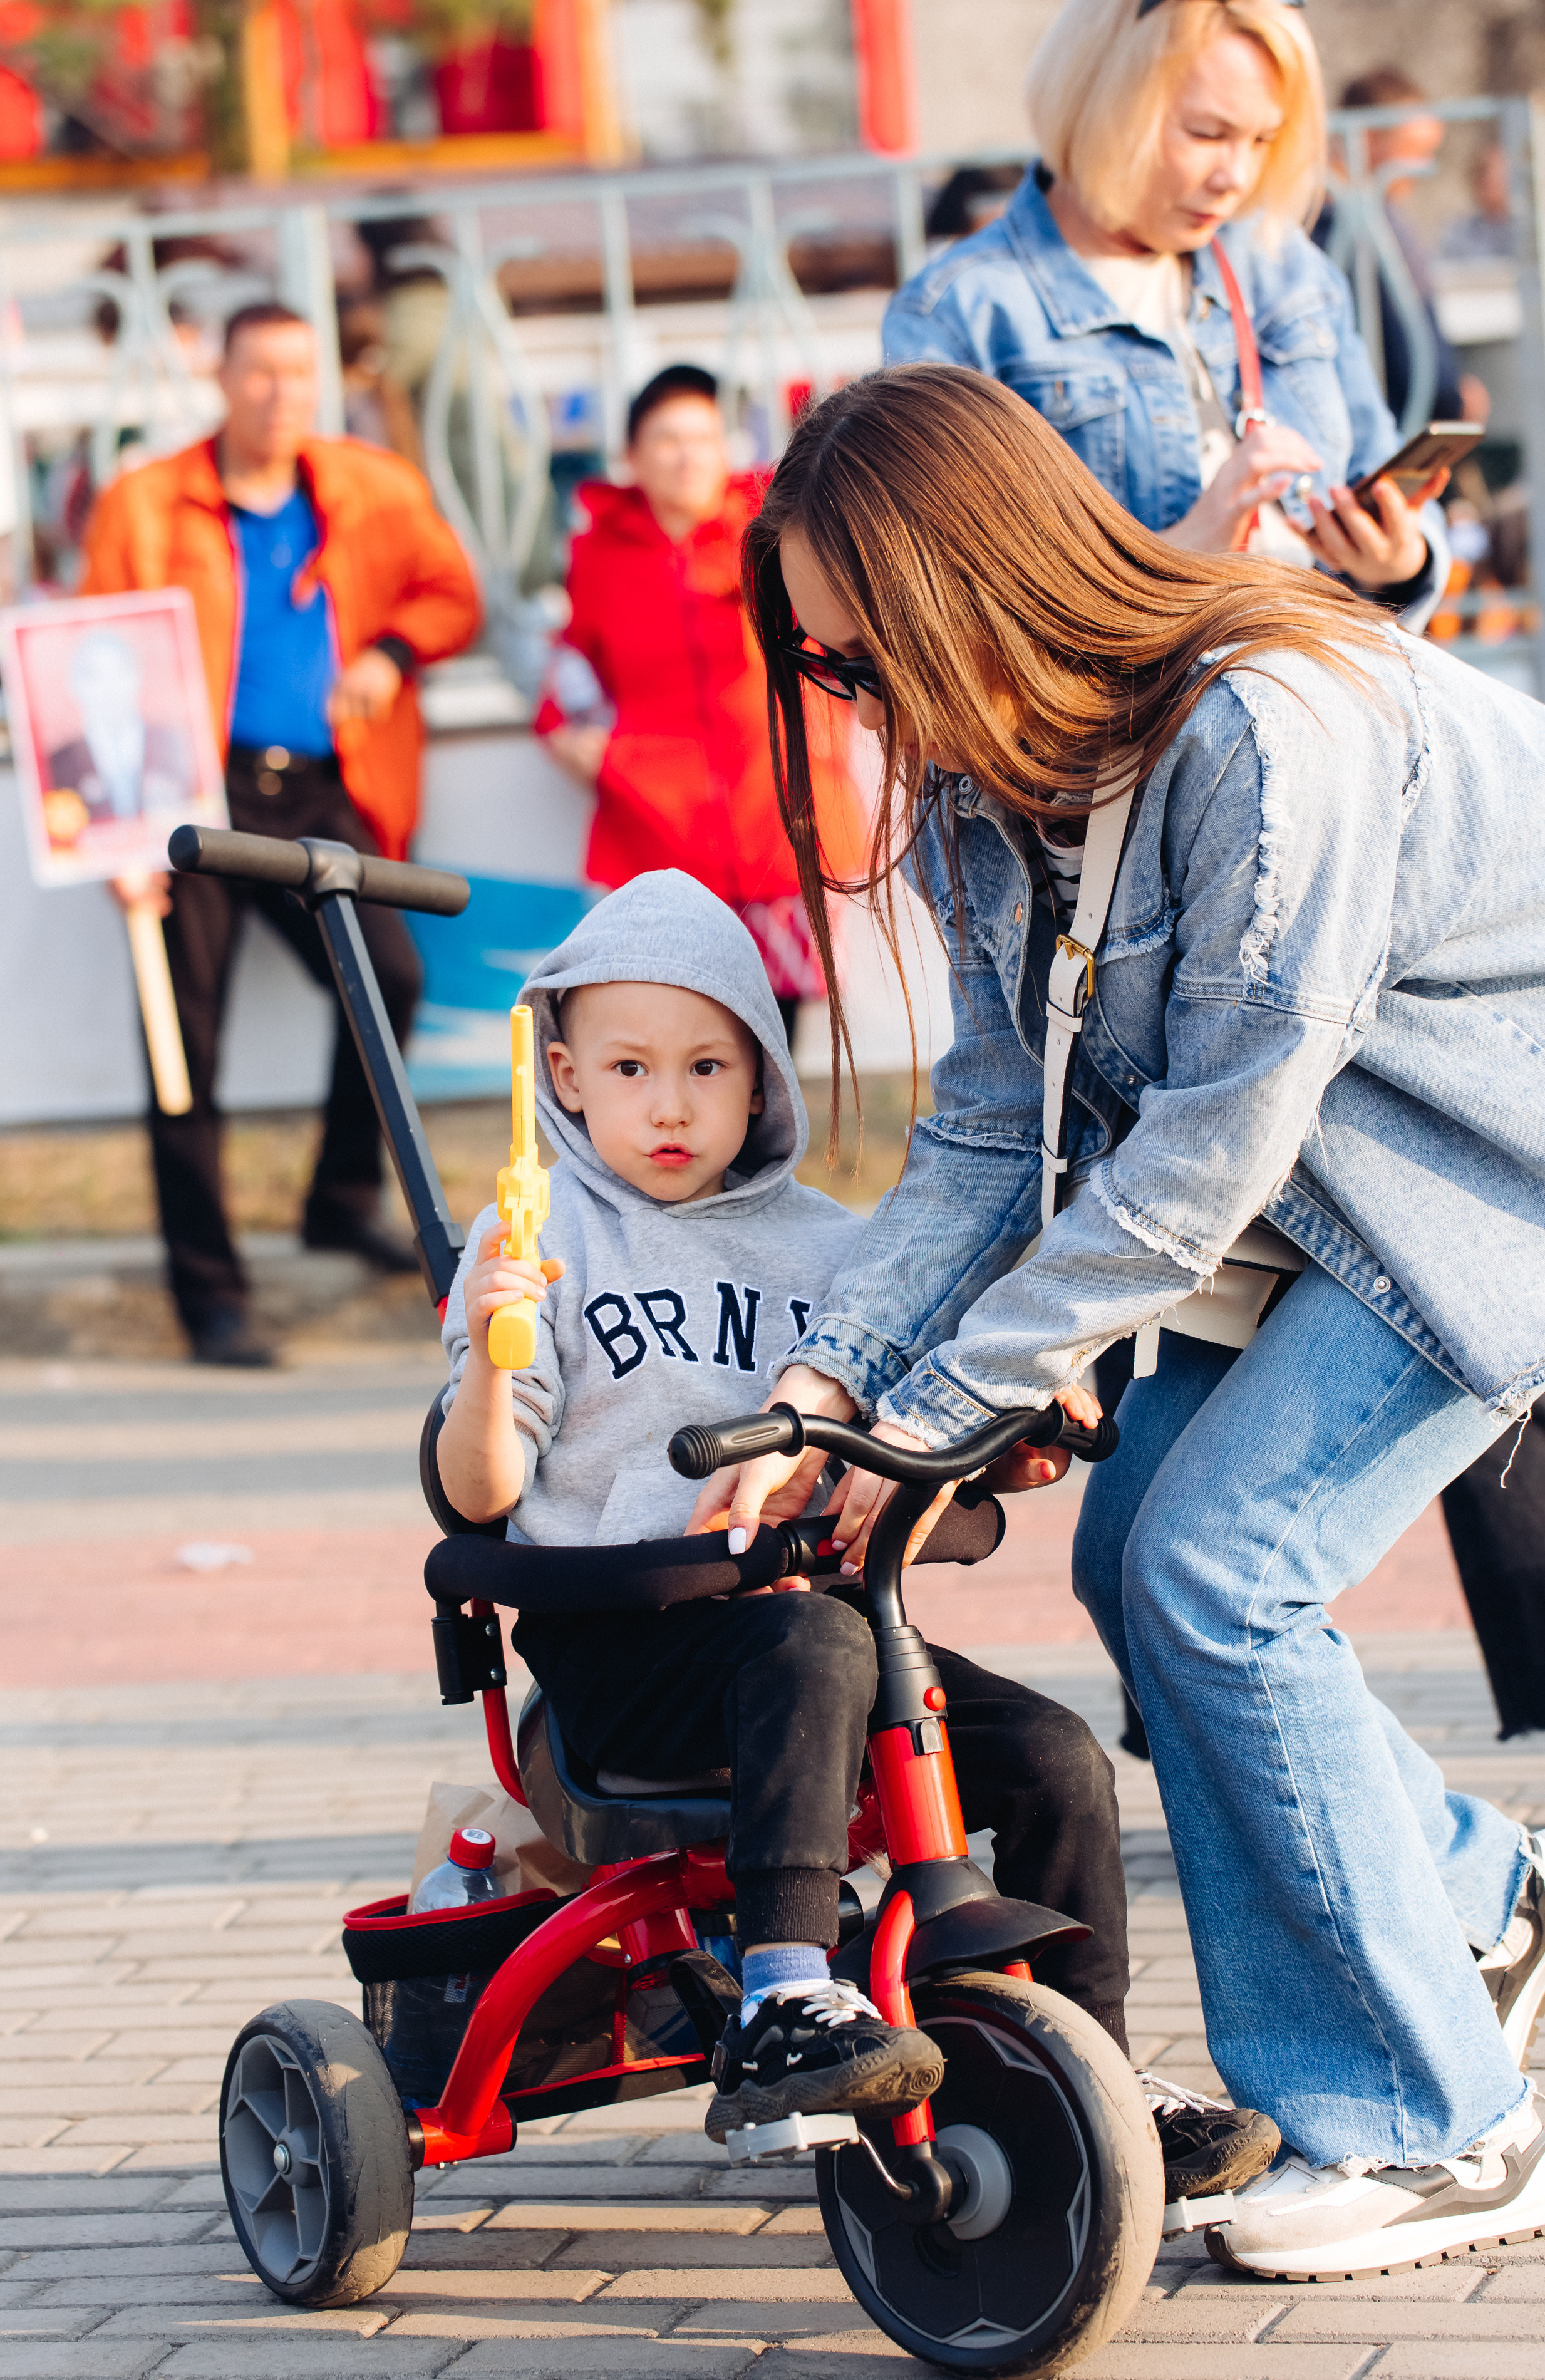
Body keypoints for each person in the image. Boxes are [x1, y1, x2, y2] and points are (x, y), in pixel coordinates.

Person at [698, 365, 1545, 2277]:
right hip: (1314, 1193)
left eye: (876, 651)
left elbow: (1207, 1139)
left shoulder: (1268, 727)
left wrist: (959, 1400)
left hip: (1486, 1169)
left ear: (985, 583)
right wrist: (838, 1383)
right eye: (830, 673)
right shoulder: (982, 803)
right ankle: (1472, 1901)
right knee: (1141, 1573)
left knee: (1217, 1572)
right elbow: (989, 1130)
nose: (864, 706)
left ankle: (1440, 2123)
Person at [433, 867, 1279, 2193]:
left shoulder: (836, 1249)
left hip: (823, 1630)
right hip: (629, 1656)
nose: (671, 1102)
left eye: (708, 1064)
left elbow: (921, 1392)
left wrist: (1016, 1410)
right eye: (633, 1066)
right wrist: (493, 1352)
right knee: (812, 1650)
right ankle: (783, 1997)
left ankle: (1096, 2082)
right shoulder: (541, 1244)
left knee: (1054, 1756)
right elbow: (477, 1492)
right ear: (567, 1073)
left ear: (763, 1078)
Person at [80, 301, 480, 1366]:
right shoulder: (146, 502)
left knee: (385, 980)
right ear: (220, 375)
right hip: (186, 803)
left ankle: (337, 1199)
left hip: (318, 790)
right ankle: (209, 1297)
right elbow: (90, 659)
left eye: (299, 374)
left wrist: (391, 652)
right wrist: (119, 836)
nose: (280, 394)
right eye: (260, 371)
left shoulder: (372, 487)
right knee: (182, 1050)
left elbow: (453, 595)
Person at [883, 0, 1449, 628]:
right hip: (1143, 721)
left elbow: (1384, 472)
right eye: (1206, 134)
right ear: (1102, 102)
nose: (1234, 176)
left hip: (1335, 690)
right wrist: (1174, 557)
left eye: (1262, 139)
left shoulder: (1281, 262)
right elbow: (955, 615)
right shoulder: (959, 311)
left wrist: (1399, 559)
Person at [535, 365, 863, 1044]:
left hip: (782, 811)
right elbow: (570, 663)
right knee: (685, 1025)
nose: (687, 457)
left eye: (703, 438)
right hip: (658, 821)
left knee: (776, 1030)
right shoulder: (597, 555)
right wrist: (564, 733)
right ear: (632, 457)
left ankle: (769, 1152)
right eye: (666, 439)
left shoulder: (777, 530)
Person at [1317, 69, 1489, 431]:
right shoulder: (1334, 223)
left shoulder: (1381, 216)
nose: (1423, 167)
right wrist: (1451, 401)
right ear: (1366, 138)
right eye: (1414, 151)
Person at [46, 629, 194, 824]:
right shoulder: (59, 764)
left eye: (119, 672)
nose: (110, 687)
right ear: (75, 686)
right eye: (95, 676)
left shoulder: (173, 744)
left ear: (137, 676)